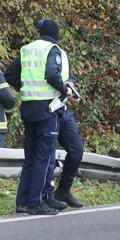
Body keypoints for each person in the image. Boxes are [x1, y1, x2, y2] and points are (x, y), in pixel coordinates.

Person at [4, 18, 74, 216]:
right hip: (47, 109)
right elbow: (53, 74)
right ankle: (36, 202)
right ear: (55, 33)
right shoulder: (52, 49)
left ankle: (23, 202)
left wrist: (26, 88)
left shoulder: (27, 49)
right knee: (44, 157)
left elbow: (10, 74)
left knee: (31, 158)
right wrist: (64, 91)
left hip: (29, 107)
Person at [43, 73, 85, 209]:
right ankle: (45, 195)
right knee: (47, 153)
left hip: (63, 111)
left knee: (77, 150)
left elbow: (71, 77)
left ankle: (63, 190)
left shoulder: (61, 56)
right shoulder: (42, 56)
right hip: (45, 110)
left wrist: (70, 90)